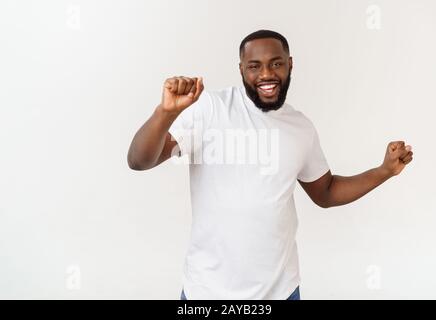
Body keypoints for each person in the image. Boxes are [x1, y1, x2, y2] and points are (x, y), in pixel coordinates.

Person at [127, 30, 413, 300]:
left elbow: (325, 192)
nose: (266, 74)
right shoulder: (209, 109)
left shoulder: (301, 127)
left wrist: (384, 171)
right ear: (241, 69)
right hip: (208, 292)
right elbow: (139, 161)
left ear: (289, 65)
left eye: (276, 63)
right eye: (254, 66)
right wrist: (164, 113)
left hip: (281, 291)